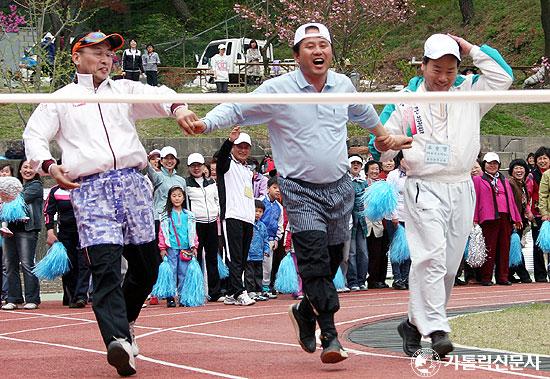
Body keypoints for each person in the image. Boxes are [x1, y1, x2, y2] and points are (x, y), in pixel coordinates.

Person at [184, 23, 411, 363]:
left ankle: (306, 311)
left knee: (333, 258)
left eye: (323, 45)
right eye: (309, 46)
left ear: (331, 52)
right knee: (315, 262)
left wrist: (382, 135)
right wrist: (206, 122)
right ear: (296, 55)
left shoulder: (343, 85)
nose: (318, 51)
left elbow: (362, 111)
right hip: (299, 190)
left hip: (339, 189)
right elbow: (237, 108)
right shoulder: (279, 90)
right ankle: (331, 335)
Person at [22, 31, 200, 376]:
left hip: (133, 185)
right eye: (96, 53)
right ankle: (117, 340)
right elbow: (34, 134)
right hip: (91, 188)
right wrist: (48, 165)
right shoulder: (61, 98)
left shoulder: (124, 90)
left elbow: (163, 95)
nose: (105, 59)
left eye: (109, 53)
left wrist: (179, 109)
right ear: (76, 58)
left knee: (147, 266)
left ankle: (126, 321)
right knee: (104, 268)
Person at [368, 33, 514, 358]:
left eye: (450, 69)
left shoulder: (470, 91)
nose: (443, 77)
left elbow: (504, 77)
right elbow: (379, 141)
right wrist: (388, 144)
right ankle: (437, 328)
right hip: (424, 186)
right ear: (423, 66)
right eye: (436, 69)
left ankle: (411, 323)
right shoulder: (407, 98)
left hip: (462, 186)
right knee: (430, 257)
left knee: (448, 267)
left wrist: (471, 49)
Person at [215, 128, 256, 306]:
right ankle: (240, 291)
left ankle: (232, 292)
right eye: (239, 146)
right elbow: (222, 157)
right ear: (233, 147)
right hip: (232, 216)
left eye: (246, 147)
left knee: (242, 257)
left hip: (247, 218)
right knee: (234, 257)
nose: (243, 150)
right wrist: (229, 141)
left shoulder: (247, 170)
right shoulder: (227, 165)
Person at [473, 152, 522, 286]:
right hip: (488, 218)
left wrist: (516, 217)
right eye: (489, 163)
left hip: (505, 217)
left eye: (495, 163)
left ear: (499, 165)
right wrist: (475, 218)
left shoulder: (504, 180)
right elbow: (475, 200)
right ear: (484, 165)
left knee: (504, 247)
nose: (492, 165)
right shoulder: (478, 179)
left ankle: (503, 277)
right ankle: (486, 277)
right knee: (489, 247)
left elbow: (510, 200)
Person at [1, 160, 43, 311]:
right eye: (25, 167)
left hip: (27, 230)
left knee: (27, 264)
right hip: (10, 229)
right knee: (10, 265)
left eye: (31, 167)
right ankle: (13, 298)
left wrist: (4, 196)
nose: (28, 170)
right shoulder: (17, 186)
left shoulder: (36, 186)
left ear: (37, 171)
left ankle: (32, 298)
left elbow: (16, 199)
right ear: (19, 170)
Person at [44, 184, 91, 308]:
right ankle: (70, 295)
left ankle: (80, 296)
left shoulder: (84, 186)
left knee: (84, 263)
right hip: (65, 232)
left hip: (84, 231)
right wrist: (49, 231)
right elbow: (48, 212)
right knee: (68, 264)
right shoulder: (55, 190)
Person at [185, 153, 223, 302]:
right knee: (196, 257)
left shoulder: (211, 183)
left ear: (203, 166)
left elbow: (217, 199)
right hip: (196, 224)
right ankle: (197, 291)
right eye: (193, 165)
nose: (196, 168)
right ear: (188, 167)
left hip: (212, 222)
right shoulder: (186, 184)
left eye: (198, 165)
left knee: (212, 257)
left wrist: (217, 212)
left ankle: (215, 292)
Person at [158, 185, 197, 307]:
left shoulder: (189, 215)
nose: (177, 198)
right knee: (171, 272)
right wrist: (162, 248)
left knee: (184, 273)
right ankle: (170, 297)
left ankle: (182, 296)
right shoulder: (166, 215)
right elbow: (162, 233)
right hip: (171, 248)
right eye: (174, 196)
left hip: (185, 248)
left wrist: (194, 246)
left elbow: (193, 232)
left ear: (184, 198)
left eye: (179, 195)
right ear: (170, 198)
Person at [147, 146, 187, 236]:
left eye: (172, 158)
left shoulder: (181, 180)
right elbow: (148, 168)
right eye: (166, 158)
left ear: (176, 160)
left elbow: (185, 203)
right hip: (160, 218)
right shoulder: (157, 176)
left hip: (178, 218)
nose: (169, 161)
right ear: (161, 161)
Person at [385, 152, 411, 290]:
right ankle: (397, 277)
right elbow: (390, 197)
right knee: (397, 248)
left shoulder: (414, 174)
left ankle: (406, 277)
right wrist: (394, 215)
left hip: (411, 217)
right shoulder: (393, 175)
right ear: (401, 160)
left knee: (409, 249)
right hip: (395, 216)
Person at [507, 159, 534, 283]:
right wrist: (514, 220)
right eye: (516, 168)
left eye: (521, 168)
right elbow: (511, 204)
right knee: (515, 246)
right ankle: (523, 275)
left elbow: (524, 202)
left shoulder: (522, 184)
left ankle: (510, 273)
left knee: (515, 247)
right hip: (514, 221)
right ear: (511, 171)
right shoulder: (510, 183)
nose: (519, 170)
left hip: (521, 220)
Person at [347, 155, 369, 291]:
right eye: (353, 163)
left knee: (363, 252)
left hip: (362, 221)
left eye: (358, 163)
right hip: (349, 221)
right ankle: (353, 281)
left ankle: (362, 280)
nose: (355, 165)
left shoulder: (364, 182)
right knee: (352, 252)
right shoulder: (344, 182)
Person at [259, 176, 284, 298]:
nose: (277, 190)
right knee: (254, 263)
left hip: (270, 240)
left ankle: (265, 287)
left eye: (280, 188)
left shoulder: (279, 207)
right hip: (257, 239)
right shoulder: (260, 201)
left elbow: (280, 224)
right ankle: (253, 287)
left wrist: (276, 239)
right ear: (268, 188)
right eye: (275, 187)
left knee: (268, 265)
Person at [529, 147, 550, 282]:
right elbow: (528, 194)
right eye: (539, 159)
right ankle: (540, 275)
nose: (542, 161)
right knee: (538, 245)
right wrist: (528, 211)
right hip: (537, 215)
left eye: (545, 158)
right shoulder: (531, 175)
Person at [245, 200, 270, 301]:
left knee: (259, 274)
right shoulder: (248, 225)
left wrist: (266, 249)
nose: (258, 214)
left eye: (260, 211)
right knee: (249, 274)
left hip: (259, 255)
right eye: (256, 211)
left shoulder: (262, 226)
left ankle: (259, 291)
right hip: (249, 255)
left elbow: (265, 239)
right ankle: (250, 291)